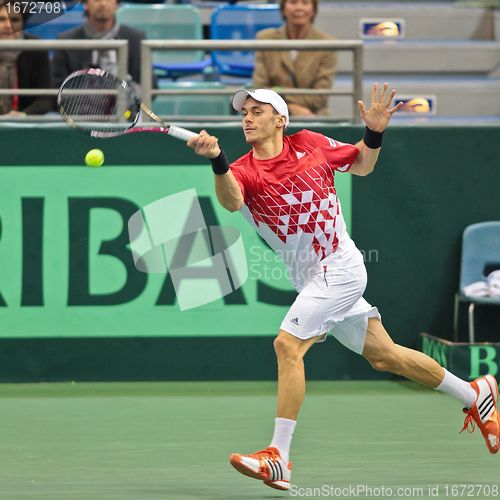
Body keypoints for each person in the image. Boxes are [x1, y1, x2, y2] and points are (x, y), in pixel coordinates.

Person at [187, 83, 500, 491]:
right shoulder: (242, 169)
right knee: (385, 356)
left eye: (257, 111)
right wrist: (217, 161)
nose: (247, 117)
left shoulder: (311, 144)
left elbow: (364, 164)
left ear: (280, 119)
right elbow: (231, 202)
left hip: (341, 267)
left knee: (287, 345)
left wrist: (374, 133)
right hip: (309, 277)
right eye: (244, 112)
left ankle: (279, 455)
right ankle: (475, 393)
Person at [252, 0, 336, 116]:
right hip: (272, 113)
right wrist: (290, 108)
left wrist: (280, 94)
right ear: (283, 8)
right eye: (293, 2)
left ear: (313, 9)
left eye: (305, 3)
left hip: (313, 113)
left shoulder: (327, 43)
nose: (299, 8)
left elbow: (319, 96)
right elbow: (261, 89)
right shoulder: (265, 38)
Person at [52, 0, 144, 88]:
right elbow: (58, 86)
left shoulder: (136, 38)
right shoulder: (66, 41)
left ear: (117, 4)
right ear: (85, 4)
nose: (103, 3)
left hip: (126, 103)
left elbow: (148, 85)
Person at [0, 3, 53, 116]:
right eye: (1, 19)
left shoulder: (35, 48)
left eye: (14, 20)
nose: (8, 25)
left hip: (24, 126)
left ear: (23, 24)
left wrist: (24, 115)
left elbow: (46, 99)